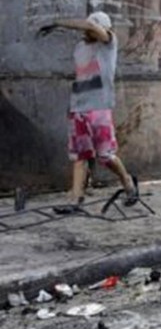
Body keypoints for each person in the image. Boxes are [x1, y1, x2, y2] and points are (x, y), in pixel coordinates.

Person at [38, 12, 138, 211]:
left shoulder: (108, 44)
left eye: (91, 27)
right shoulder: (80, 48)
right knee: (80, 156)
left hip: (99, 108)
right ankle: (75, 201)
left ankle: (127, 182)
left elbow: (92, 28)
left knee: (105, 156)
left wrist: (58, 22)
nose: (86, 30)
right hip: (78, 108)